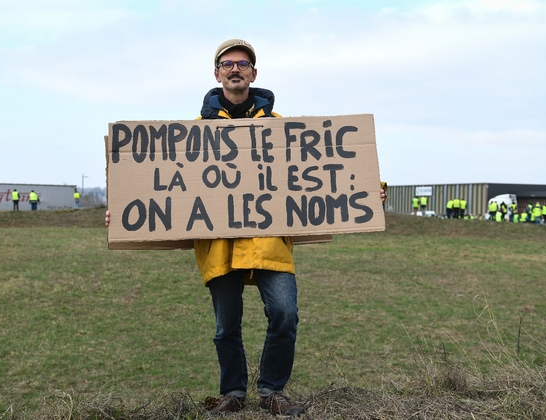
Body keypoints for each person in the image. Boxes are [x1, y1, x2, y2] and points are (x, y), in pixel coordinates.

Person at [105, 39, 386, 417]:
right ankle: (233, 393)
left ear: (254, 74)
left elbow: (322, 171)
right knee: (226, 328)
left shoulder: (283, 130)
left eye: (243, 64)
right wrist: (123, 212)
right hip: (219, 246)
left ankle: (273, 391)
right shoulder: (192, 136)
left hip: (270, 244)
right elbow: (156, 187)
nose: (235, 69)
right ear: (217, 73)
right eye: (227, 64)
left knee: (285, 314)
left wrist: (368, 193)